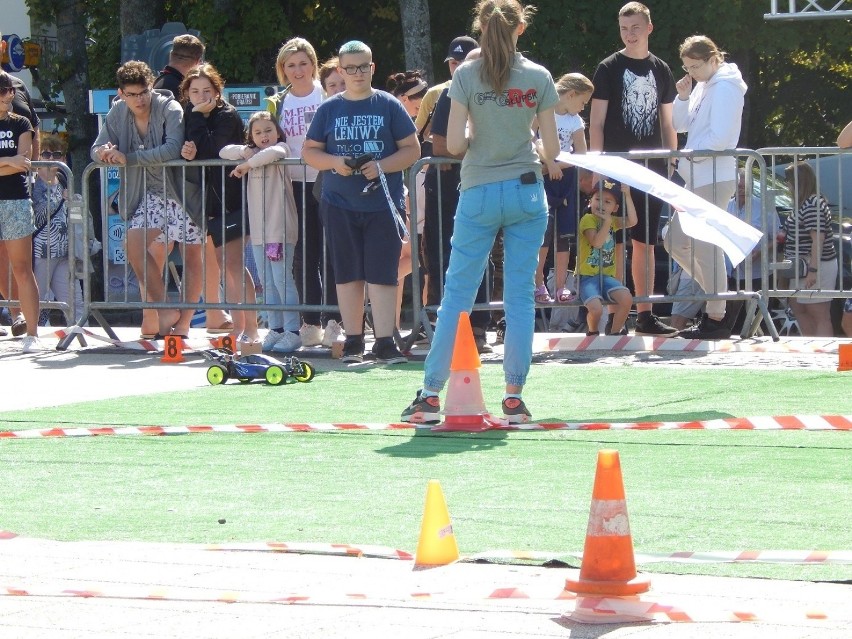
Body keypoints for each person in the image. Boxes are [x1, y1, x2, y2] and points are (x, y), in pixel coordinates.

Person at [401, 0, 559, 424]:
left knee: (457, 296)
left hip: (479, 190)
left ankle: (430, 394)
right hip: (527, 191)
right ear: (521, 28)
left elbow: (453, 145)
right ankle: (513, 396)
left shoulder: (466, 75)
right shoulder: (539, 76)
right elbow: (553, 148)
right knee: (520, 296)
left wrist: (477, 134)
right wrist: (533, 145)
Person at [303, 40, 420, 364]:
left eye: (363, 66)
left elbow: (412, 149)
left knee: (384, 272)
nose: (356, 73)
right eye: (350, 68)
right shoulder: (329, 108)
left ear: (373, 68)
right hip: (339, 201)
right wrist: (334, 162)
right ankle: (353, 340)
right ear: (340, 70)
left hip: (383, 201)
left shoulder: (388, 105)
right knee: (347, 273)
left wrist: (382, 165)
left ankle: (384, 341)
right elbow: (309, 151)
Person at [91, 61, 204, 338]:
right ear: (121, 93)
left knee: (193, 257)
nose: (139, 99)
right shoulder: (117, 113)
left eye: (143, 92)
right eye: (132, 94)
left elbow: (172, 149)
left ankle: (185, 323)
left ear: (151, 86)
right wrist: (104, 153)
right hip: (148, 195)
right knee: (134, 244)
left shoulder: (170, 107)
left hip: (182, 190)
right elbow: (96, 148)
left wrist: (128, 159)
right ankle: (163, 310)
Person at [589, 2, 678, 337]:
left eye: (636, 27)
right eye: (624, 28)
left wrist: (672, 159)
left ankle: (644, 312)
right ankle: (613, 313)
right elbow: (595, 122)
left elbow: (668, 124)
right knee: (609, 240)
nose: (630, 34)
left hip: (652, 168)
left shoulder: (662, 69)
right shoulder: (608, 67)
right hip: (615, 167)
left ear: (649, 27)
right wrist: (598, 164)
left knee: (646, 242)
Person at [666, 35, 747, 340]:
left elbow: (722, 138)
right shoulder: (704, 83)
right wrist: (684, 96)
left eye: (695, 66)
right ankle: (720, 300)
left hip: (714, 174)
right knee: (674, 241)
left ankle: (717, 313)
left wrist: (688, 154)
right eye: (687, 67)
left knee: (702, 244)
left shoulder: (725, 85)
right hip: (699, 175)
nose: (691, 73)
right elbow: (681, 124)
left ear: (714, 59)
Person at [421, 43, 495, 354]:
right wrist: (481, 150)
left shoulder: (499, 96)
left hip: (483, 189)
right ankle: (445, 327)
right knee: (443, 258)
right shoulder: (450, 94)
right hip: (447, 192)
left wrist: (467, 149)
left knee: (483, 257)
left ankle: (479, 326)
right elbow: (440, 146)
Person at [180, 63, 259, 345]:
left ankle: (249, 328)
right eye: (195, 92)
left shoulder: (226, 114)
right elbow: (196, 148)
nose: (200, 97)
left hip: (234, 196)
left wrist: (199, 122)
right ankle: (241, 327)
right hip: (213, 200)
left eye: (206, 91)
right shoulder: (192, 114)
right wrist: (188, 151)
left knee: (234, 264)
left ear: (217, 91)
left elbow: (214, 149)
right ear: (187, 93)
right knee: (226, 263)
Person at [268, 38, 335, 347]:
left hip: (329, 180)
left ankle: (336, 320)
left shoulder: (328, 94)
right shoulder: (277, 102)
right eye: (290, 65)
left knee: (333, 251)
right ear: (283, 69)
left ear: (313, 64)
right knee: (304, 255)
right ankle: (310, 322)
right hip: (293, 184)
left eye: (303, 63)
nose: (297, 70)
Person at [221, 111, 301, 352]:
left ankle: (292, 330)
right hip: (259, 231)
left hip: (279, 229)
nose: (264, 136)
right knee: (267, 281)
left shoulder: (281, 150)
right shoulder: (253, 154)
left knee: (281, 279)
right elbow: (224, 152)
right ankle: (275, 330)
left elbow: (274, 152)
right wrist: (246, 153)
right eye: (257, 132)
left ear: (277, 132)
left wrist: (246, 164)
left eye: (268, 130)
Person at [535, 72, 593, 306]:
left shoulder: (575, 121)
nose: (582, 108)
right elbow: (532, 139)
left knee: (564, 235)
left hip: (566, 178)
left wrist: (559, 164)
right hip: (542, 175)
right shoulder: (542, 109)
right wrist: (549, 163)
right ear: (571, 95)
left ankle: (560, 286)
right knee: (543, 234)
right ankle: (539, 283)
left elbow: (582, 154)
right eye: (582, 102)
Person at [0, 30, 40, 339]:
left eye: (7, 92)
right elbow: (16, 161)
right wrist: (10, 162)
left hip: (16, 195)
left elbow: (27, 155)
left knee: (21, 265)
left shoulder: (20, 115)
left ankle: (31, 330)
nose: (6, 95)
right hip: (11, 186)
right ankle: (14, 315)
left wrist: (21, 164)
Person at [387, 70, 429, 331]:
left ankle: (425, 324)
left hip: (416, 196)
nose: (423, 100)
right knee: (403, 262)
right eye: (418, 96)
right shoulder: (393, 122)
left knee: (420, 260)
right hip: (401, 198)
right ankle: (387, 324)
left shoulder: (420, 122)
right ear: (403, 98)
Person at [31, 135, 85, 327]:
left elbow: (75, 214)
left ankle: (81, 334)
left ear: (63, 158)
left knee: (74, 300)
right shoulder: (32, 185)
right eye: (45, 153)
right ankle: (32, 333)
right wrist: (59, 199)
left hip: (65, 253)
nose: (51, 157)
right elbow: (37, 218)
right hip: (41, 253)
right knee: (38, 300)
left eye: (56, 154)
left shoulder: (64, 180)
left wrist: (75, 201)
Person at [782, 162, 837, 337]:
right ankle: (811, 349)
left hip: (815, 266)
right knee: (800, 309)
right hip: (800, 267)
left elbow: (818, 240)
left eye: (789, 180)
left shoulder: (813, 203)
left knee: (819, 314)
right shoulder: (802, 204)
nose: (787, 184)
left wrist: (813, 270)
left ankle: (822, 356)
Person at [576, 180, 637, 335]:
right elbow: (596, 242)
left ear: (615, 208)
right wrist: (607, 222)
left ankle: (614, 333)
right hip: (586, 277)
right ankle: (593, 331)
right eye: (597, 199)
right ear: (590, 201)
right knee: (596, 310)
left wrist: (628, 196)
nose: (601, 204)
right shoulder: (587, 219)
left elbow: (633, 221)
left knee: (626, 299)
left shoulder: (612, 222)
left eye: (607, 202)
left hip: (606, 277)